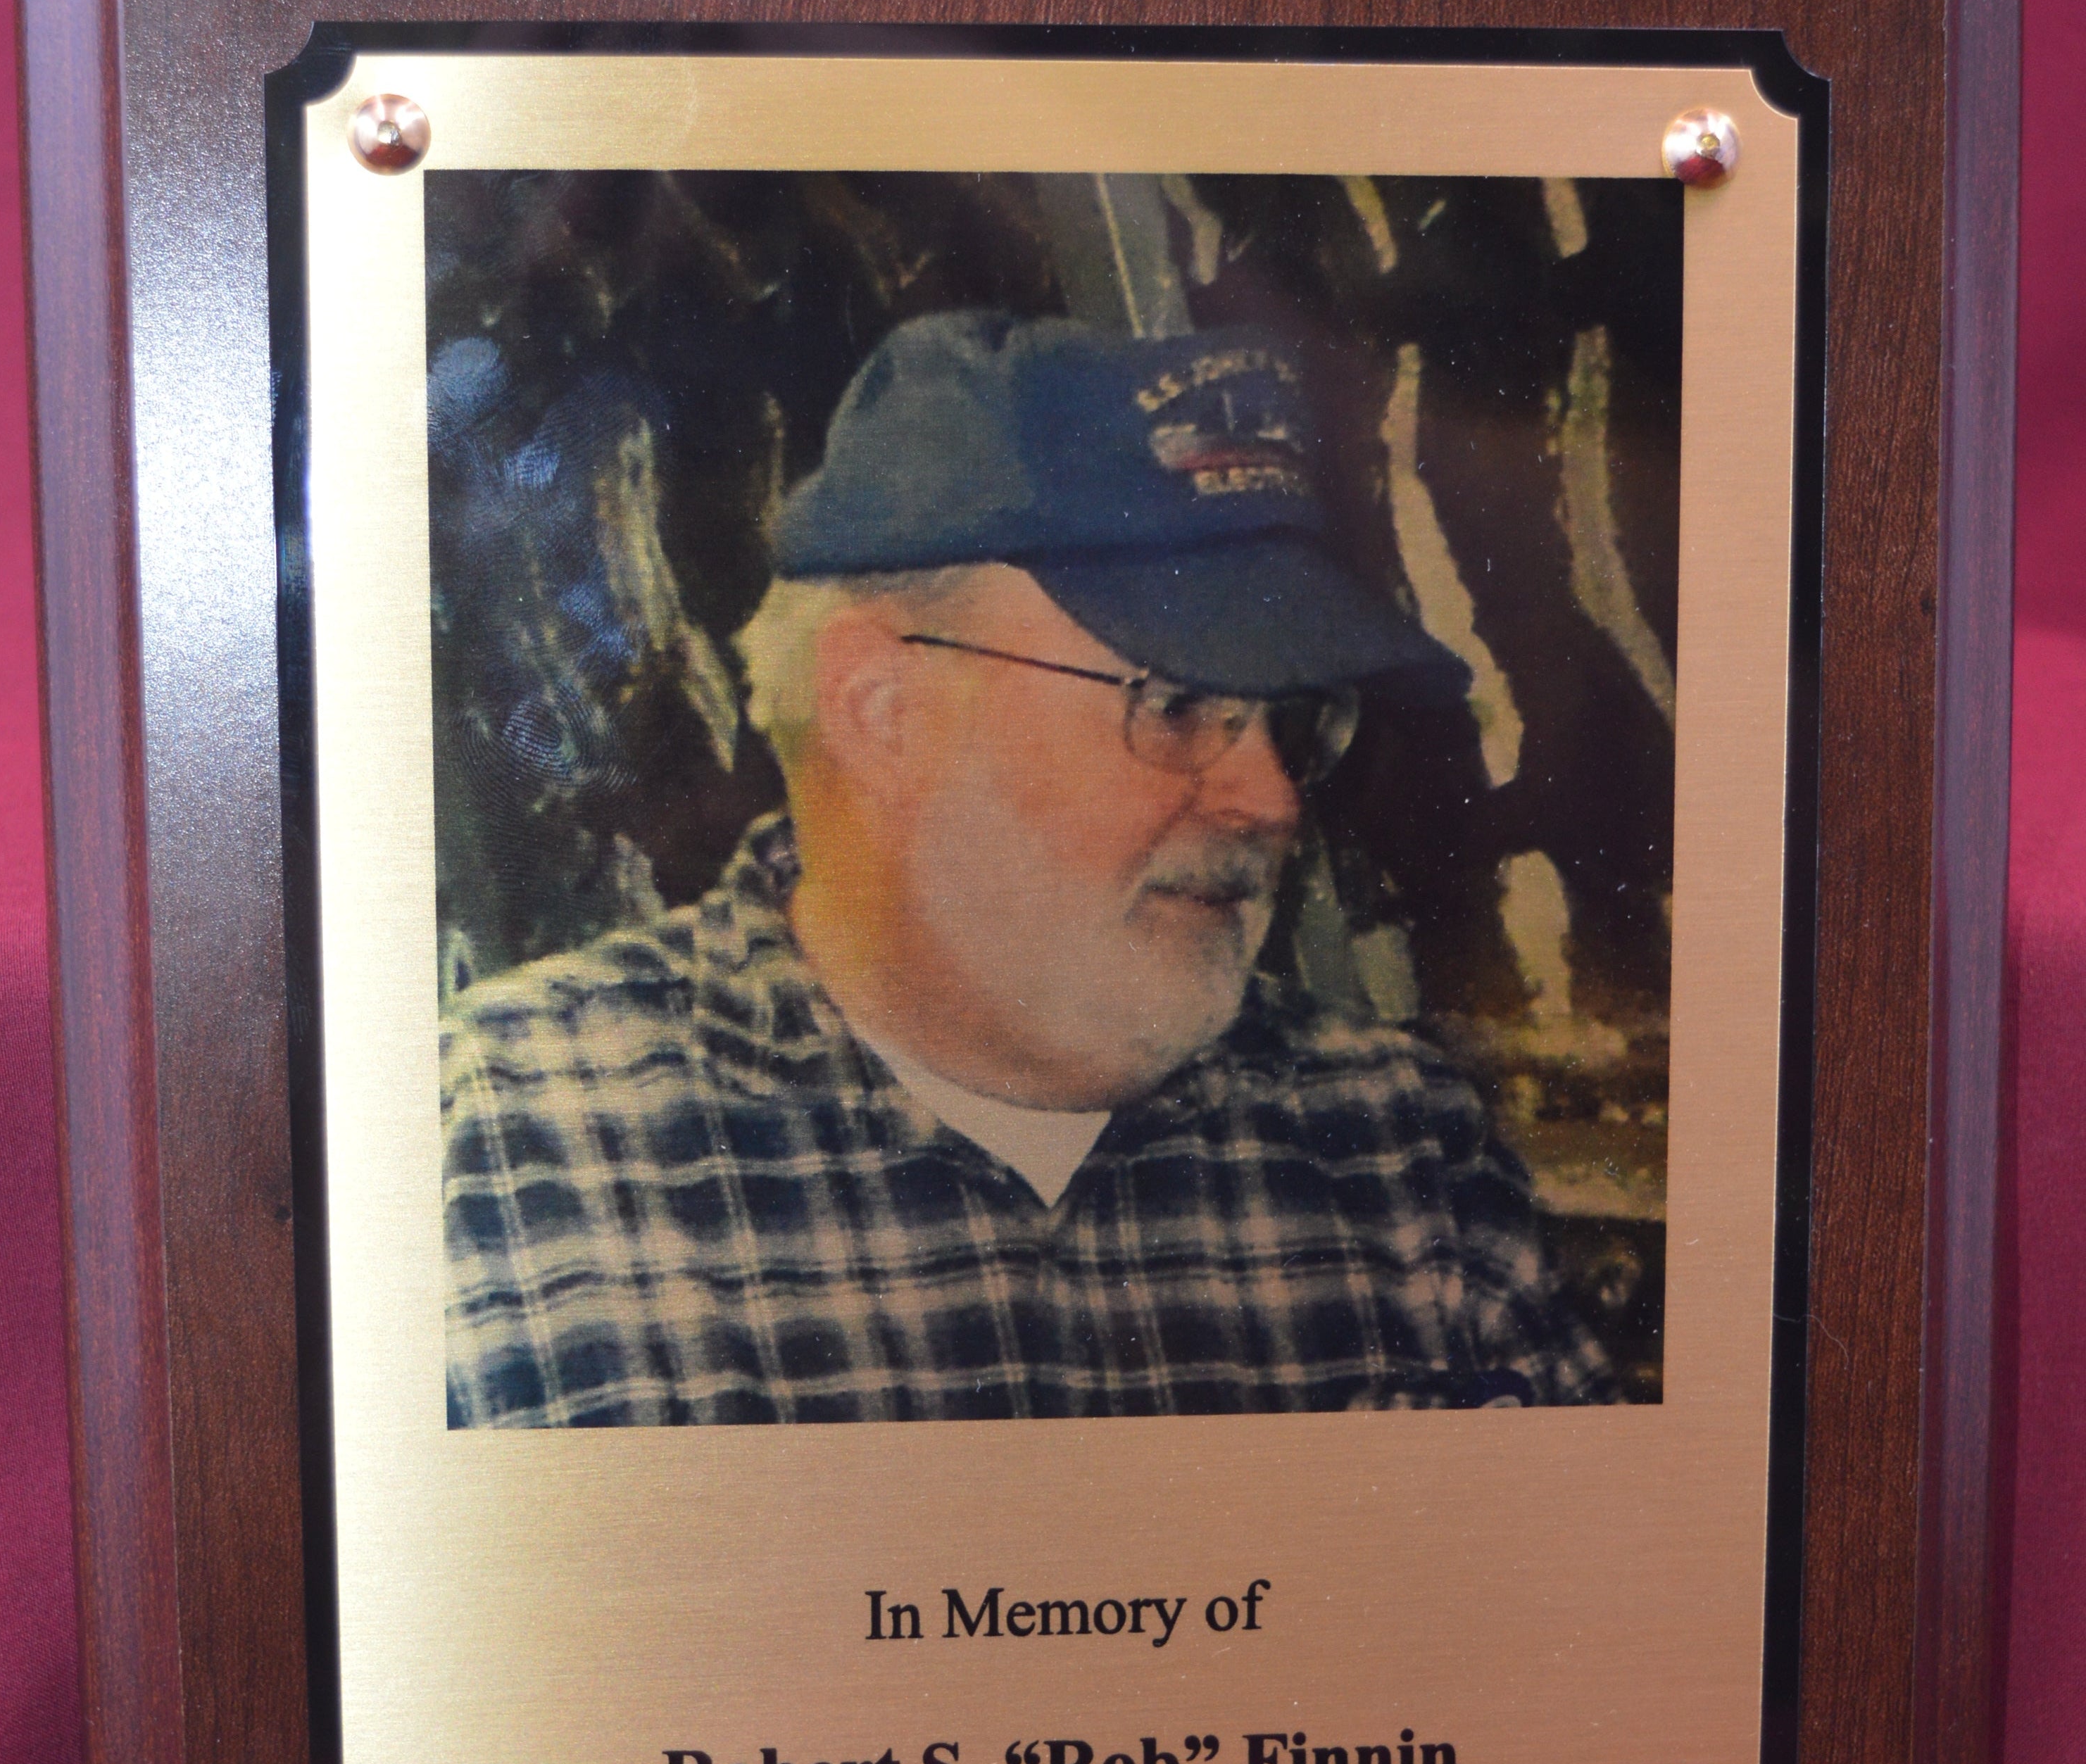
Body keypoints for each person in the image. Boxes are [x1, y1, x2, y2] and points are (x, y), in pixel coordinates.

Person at [440, 311, 1612, 1424]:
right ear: (883, 712)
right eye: (1178, 701)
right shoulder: (514, 1147)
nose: (1270, 799)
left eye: (1291, 722)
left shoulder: (1395, 1156)